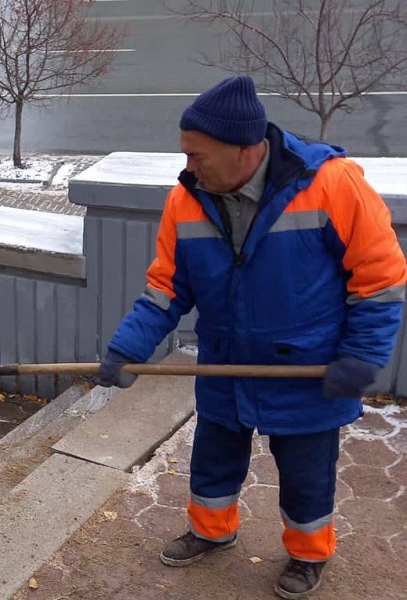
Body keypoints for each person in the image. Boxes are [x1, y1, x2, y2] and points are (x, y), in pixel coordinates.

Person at [97, 75, 406, 599]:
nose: (188, 167)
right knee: (213, 464)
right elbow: (167, 289)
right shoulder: (186, 201)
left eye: (198, 156)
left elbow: (380, 281)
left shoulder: (334, 184)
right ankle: (211, 532)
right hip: (226, 366)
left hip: (307, 371)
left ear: (247, 150)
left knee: (308, 478)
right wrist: (128, 346)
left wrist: (362, 356)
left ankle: (309, 555)